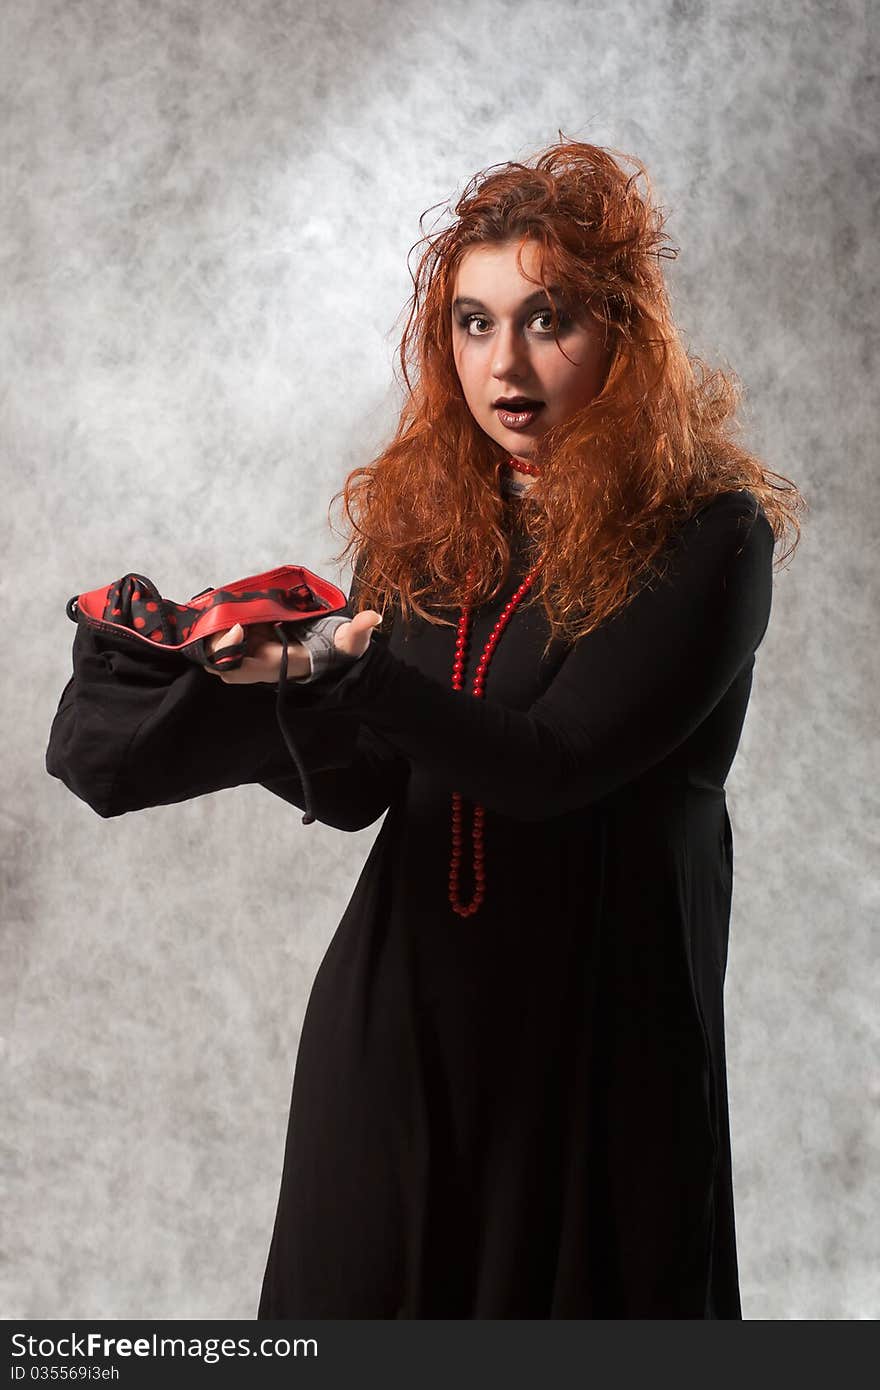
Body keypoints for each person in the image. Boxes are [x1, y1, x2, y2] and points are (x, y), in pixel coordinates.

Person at [45, 137, 804, 1319]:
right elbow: (361, 785)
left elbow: (553, 767)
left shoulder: (709, 536)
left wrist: (344, 676)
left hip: (599, 1054)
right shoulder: (434, 524)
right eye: (472, 323)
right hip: (397, 1032)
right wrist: (258, 682)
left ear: (624, 334)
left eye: (546, 319)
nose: (506, 364)